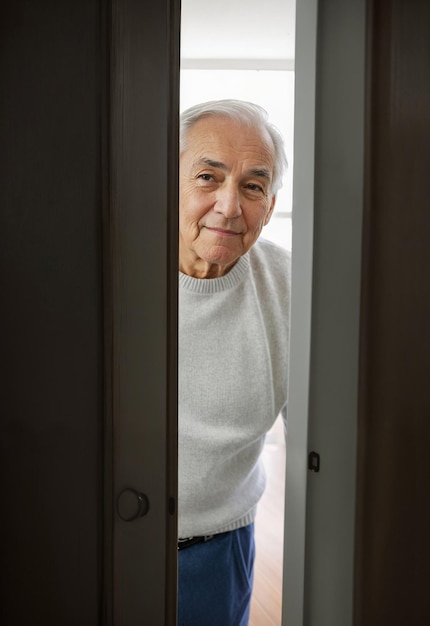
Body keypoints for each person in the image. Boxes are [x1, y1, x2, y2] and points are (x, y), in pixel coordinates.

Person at [177, 99, 290, 626]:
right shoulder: (106, 266)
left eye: (252, 186)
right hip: (99, 539)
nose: (228, 205)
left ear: (269, 206)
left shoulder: (295, 287)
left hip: (218, 550)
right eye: (208, 177)